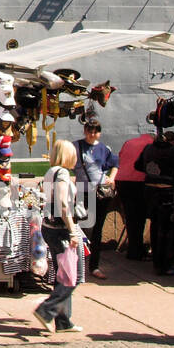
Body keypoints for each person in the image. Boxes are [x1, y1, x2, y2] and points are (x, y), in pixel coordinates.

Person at [33, 140, 84, 334]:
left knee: (63, 274)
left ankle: (63, 321)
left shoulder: (50, 172)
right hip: (62, 230)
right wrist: (72, 231)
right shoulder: (62, 173)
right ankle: (47, 309)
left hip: (50, 228)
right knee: (73, 276)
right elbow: (63, 203)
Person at [135, 131, 174, 275]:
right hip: (167, 192)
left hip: (150, 191)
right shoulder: (171, 151)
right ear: (170, 141)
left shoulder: (148, 149)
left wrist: (152, 172)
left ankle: (156, 262)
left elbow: (138, 165)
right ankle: (166, 263)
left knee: (155, 225)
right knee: (168, 229)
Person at [73, 120, 118, 279]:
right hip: (83, 192)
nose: (92, 134)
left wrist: (111, 178)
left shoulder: (103, 148)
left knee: (97, 229)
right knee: (78, 228)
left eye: (96, 131)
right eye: (90, 130)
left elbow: (115, 163)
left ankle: (94, 266)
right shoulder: (76, 146)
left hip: (100, 193)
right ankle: (77, 264)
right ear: (85, 131)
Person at [114, 131, 153, 260]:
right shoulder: (151, 143)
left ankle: (133, 250)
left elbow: (120, 157)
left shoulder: (129, 142)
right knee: (140, 218)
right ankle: (137, 251)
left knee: (130, 217)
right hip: (138, 181)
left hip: (121, 180)